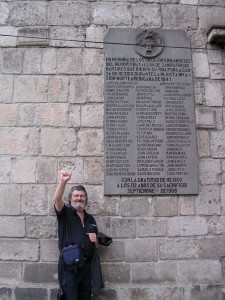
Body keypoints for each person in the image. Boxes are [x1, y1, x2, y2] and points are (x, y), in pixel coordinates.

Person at [53, 171, 99, 300]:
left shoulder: (91, 219)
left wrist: (96, 241)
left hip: (86, 268)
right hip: (69, 268)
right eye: (76, 196)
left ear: (86, 199)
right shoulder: (65, 213)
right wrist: (63, 181)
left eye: (82, 196)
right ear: (70, 199)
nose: (79, 198)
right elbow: (57, 199)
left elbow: (96, 247)